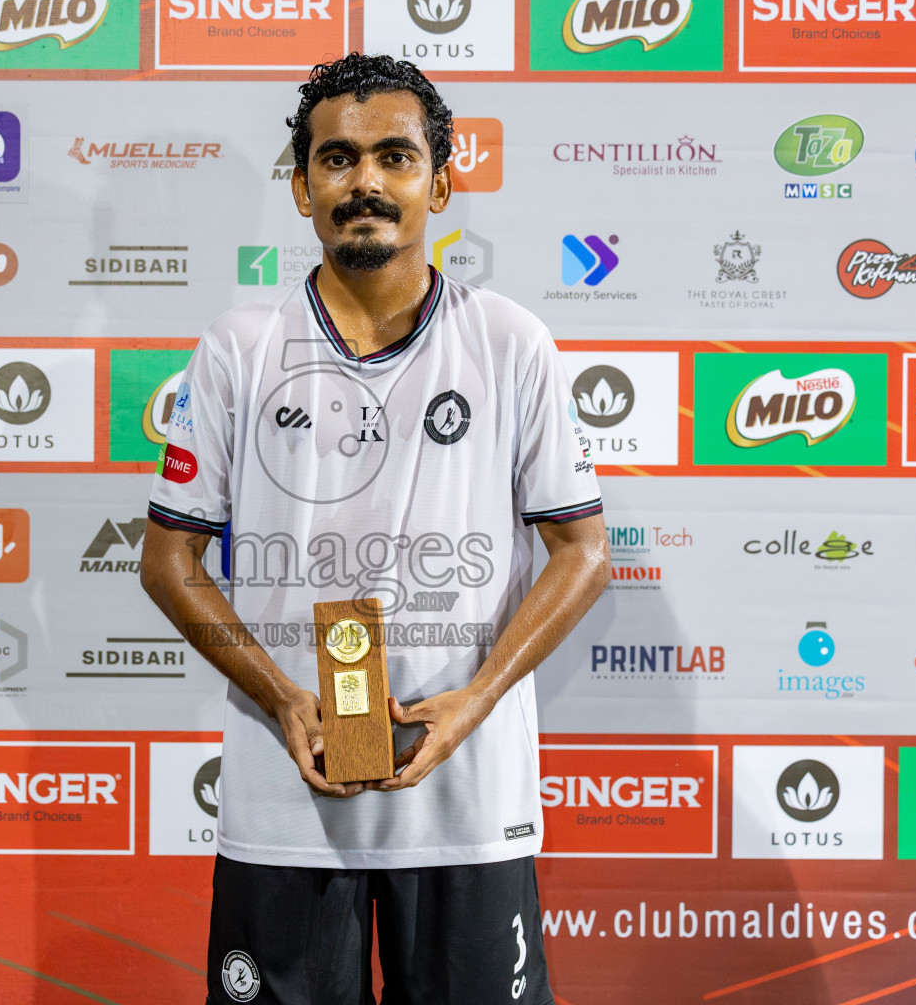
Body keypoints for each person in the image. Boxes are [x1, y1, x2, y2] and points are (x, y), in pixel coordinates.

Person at [140, 53, 611, 1005]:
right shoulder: (240, 345)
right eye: (337, 158)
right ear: (301, 183)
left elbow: (583, 553)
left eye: (395, 157)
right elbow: (168, 562)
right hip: (286, 804)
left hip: (469, 802)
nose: (365, 182)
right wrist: (282, 699)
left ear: (440, 179)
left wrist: (475, 700)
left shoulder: (510, 340)